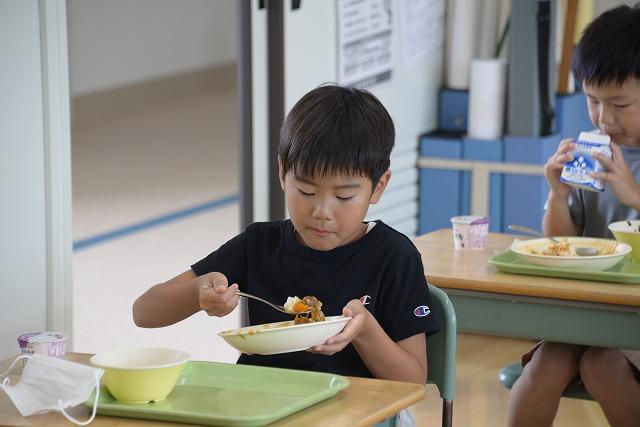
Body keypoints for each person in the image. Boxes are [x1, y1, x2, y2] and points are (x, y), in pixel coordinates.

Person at [132, 84, 440, 385]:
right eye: (306, 191)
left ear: (379, 187)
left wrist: (364, 330)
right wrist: (198, 291)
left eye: (344, 197)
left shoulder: (393, 256)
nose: (322, 211)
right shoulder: (259, 245)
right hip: (261, 404)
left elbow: (412, 380)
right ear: (282, 174)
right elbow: (143, 312)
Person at [507, 5, 640, 427]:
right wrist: (559, 196)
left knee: (602, 365)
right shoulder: (592, 151)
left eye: (620, 103)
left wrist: (632, 194)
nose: (605, 118)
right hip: (589, 308)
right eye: (593, 101)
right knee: (547, 362)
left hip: (633, 319)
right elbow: (560, 242)